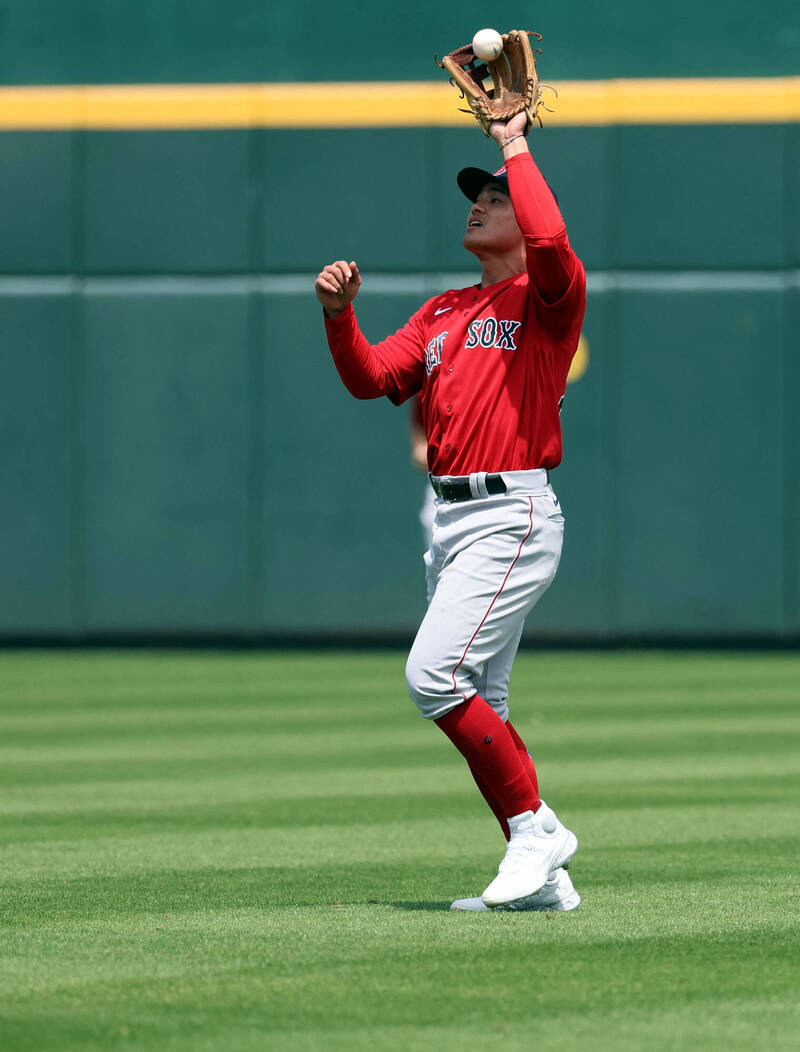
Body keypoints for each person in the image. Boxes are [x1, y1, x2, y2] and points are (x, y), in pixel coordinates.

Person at [315, 109, 586, 912]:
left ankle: (536, 832)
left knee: (433, 676)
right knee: (482, 699)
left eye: (495, 199)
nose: (478, 203)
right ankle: (544, 878)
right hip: (454, 520)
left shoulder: (549, 299)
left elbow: (548, 244)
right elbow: (370, 378)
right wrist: (340, 318)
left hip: (513, 513)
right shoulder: (441, 312)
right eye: (474, 196)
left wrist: (513, 146)